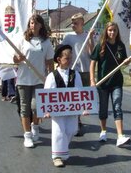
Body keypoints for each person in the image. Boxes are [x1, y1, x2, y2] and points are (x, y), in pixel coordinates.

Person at [13, 14, 54, 148]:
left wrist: (51, 78)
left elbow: (49, 62)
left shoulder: (46, 42)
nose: (33, 25)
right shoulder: (22, 40)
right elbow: (15, 60)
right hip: (23, 79)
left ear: (41, 25)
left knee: (36, 107)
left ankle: (35, 127)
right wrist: (19, 58)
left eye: (36, 23)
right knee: (25, 109)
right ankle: (27, 135)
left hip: (39, 79)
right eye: (31, 23)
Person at [90, 21, 131, 148]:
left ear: (117, 32)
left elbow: (123, 62)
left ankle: (120, 136)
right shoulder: (100, 45)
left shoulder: (120, 46)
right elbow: (93, 63)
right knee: (103, 108)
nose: (112, 32)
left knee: (117, 106)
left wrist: (127, 61)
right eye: (110, 30)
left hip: (117, 82)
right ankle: (103, 131)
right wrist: (92, 80)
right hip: (103, 83)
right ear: (106, 31)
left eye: (114, 30)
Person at [44, 44, 83, 167]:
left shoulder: (76, 74)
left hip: (71, 110)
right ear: (59, 59)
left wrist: (83, 107)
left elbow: (81, 91)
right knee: (59, 131)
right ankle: (57, 156)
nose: (69, 61)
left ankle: (63, 150)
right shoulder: (52, 76)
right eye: (66, 58)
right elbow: (46, 94)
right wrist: (47, 110)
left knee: (72, 129)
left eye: (70, 58)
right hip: (57, 110)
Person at [61, 12, 94, 136]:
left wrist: (90, 38)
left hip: (84, 70)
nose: (73, 25)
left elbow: (92, 53)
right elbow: (62, 52)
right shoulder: (68, 37)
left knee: (81, 97)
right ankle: (74, 120)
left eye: (75, 23)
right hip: (71, 70)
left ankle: (77, 120)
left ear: (82, 23)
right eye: (72, 23)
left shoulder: (87, 36)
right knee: (71, 96)